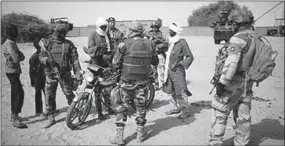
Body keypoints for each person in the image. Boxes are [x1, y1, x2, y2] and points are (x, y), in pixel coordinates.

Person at [208, 10, 257, 146]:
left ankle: (215, 142)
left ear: (236, 23)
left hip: (233, 83)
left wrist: (222, 83)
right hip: (248, 82)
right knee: (243, 116)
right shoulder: (255, 37)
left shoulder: (238, 38)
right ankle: (242, 142)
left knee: (220, 110)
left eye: (232, 23)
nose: (231, 26)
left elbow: (232, 63)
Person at [110, 20, 159, 145]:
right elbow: (155, 61)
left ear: (131, 31)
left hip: (126, 82)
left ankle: (119, 137)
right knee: (141, 107)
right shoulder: (150, 44)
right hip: (143, 83)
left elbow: (115, 63)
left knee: (122, 107)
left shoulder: (123, 44)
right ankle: (140, 135)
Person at [39, 24, 83, 128]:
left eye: (62, 34)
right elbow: (41, 56)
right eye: (58, 34)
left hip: (65, 74)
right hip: (51, 73)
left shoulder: (69, 44)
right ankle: (51, 116)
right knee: (49, 95)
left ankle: (74, 109)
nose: (59, 36)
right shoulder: (48, 43)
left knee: (68, 93)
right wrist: (46, 60)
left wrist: (78, 74)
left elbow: (75, 60)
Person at [85, 17, 115, 120]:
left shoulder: (107, 35)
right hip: (95, 65)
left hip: (105, 66)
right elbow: (90, 50)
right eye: (102, 26)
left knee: (107, 89)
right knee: (96, 89)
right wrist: (99, 46)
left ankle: (108, 107)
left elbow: (110, 49)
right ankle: (99, 113)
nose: (104, 28)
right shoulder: (93, 34)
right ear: (98, 26)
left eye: (105, 26)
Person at [163, 23, 194, 120]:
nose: (169, 32)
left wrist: (179, 64)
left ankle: (185, 110)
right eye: (169, 30)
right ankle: (175, 108)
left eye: (171, 31)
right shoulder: (170, 42)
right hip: (169, 70)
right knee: (171, 89)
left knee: (180, 90)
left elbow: (190, 57)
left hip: (178, 71)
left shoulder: (181, 42)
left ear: (175, 32)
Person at [3, 23, 28, 128]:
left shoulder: (12, 42)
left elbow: (21, 57)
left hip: (14, 71)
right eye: (15, 30)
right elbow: (18, 58)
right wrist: (19, 55)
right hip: (11, 72)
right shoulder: (9, 43)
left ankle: (15, 115)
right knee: (17, 94)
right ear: (10, 32)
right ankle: (14, 118)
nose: (17, 32)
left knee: (18, 93)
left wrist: (19, 55)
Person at [146, 20, 168, 90]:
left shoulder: (161, 34)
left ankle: (163, 84)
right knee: (153, 70)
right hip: (151, 55)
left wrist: (159, 46)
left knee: (161, 70)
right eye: (153, 27)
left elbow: (166, 44)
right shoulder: (148, 34)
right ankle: (156, 83)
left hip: (159, 54)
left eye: (156, 27)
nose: (154, 29)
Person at [29, 38, 46, 117]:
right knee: (38, 94)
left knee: (49, 93)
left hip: (45, 77)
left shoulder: (46, 55)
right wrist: (32, 81)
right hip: (38, 78)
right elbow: (31, 70)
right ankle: (39, 111)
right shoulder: (34, 57)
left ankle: (51, 109)